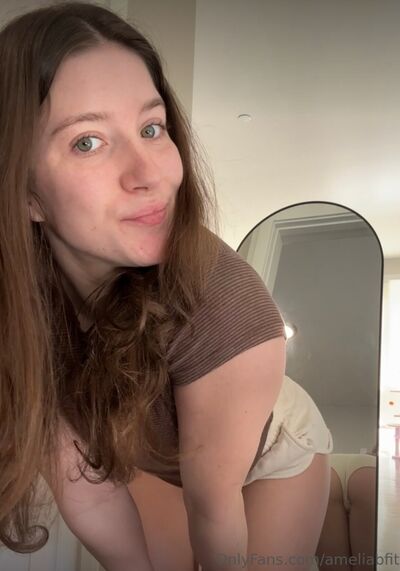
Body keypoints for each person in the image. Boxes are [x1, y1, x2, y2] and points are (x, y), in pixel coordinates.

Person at [0, 2, 333, 570]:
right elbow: (87, 493)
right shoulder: (21, 308)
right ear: (24, 192)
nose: (150, 174)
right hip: (155, 445)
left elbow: (213, 509)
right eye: (87, 141)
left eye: (151, 129)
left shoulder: (226, 309)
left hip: (276, 445)